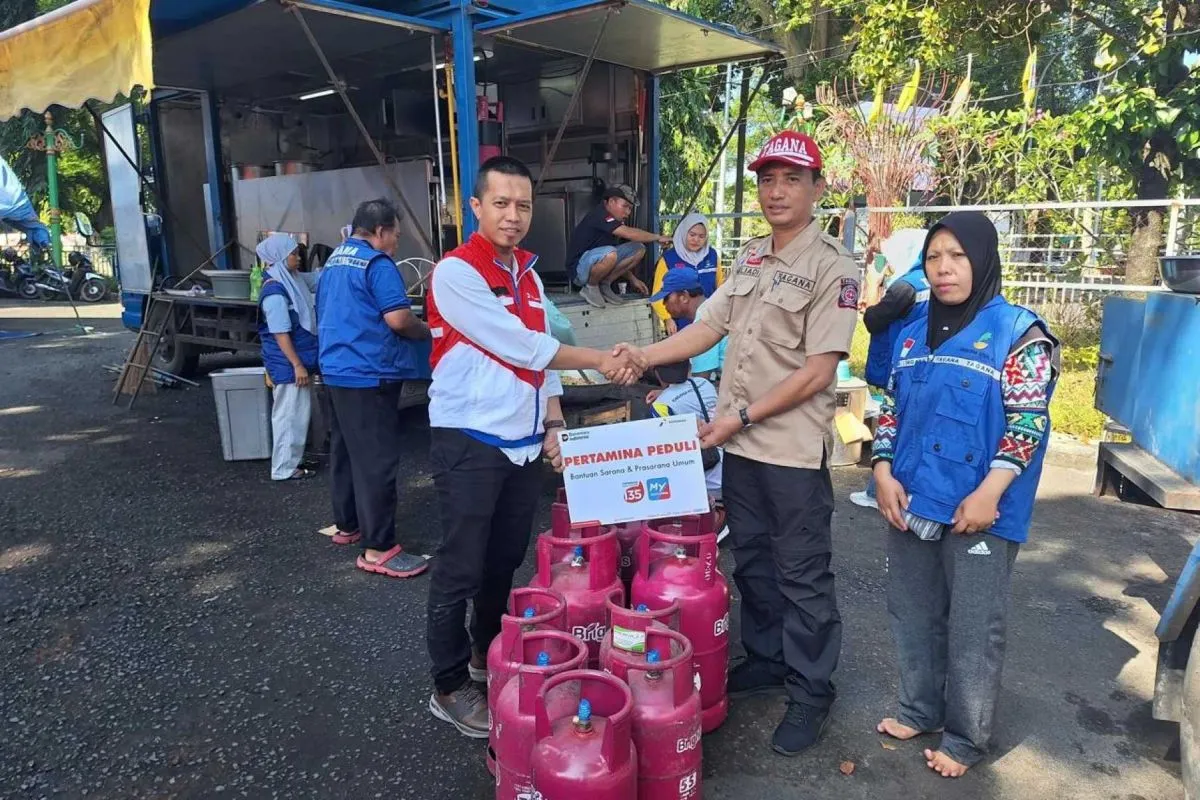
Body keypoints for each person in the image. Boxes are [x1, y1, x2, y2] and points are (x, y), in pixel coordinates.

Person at [601, 130, 860, 756]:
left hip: (789, 453)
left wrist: (738, 417)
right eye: (768, 180)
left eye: (791, 179)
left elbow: (818, 371)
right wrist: (644, 355)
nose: (776, 191)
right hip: (741, 450)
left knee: (802, 574)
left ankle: (811, 690)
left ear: (817, 188)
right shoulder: (749, 258)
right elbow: (707, 325)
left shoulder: (834, 267)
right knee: (753, 560)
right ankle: (767, 659)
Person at [423, 156, 639, 738]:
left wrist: (554, 422)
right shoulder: (455, 273)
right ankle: (448, 685)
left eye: (522, 205)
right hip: (469, 438)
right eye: (500, 204)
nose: (513, 216)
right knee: (461, 565)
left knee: (504, 559)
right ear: (475, 207)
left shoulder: (530, 275)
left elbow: (541, 357)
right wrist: (601, 358)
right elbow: (522, 347)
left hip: (520, 444)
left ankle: (484, 654)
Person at [871, 212, 1059, 778]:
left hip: (981, 508)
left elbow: (1027, 424)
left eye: (956, 256)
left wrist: (990, 493)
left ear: (982, 259)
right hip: (911, 497)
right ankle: (919, 709)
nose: (943, 268)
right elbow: (890, 407)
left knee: (974, 628)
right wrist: (882, 469)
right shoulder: (911, 331)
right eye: (933, 257)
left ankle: (965, 738)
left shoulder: (1017, 333)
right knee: (912, 611)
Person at [317, 198, 431, 578]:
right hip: (369, 372)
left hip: (335, 369)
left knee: (346, 451)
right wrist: (425, 330)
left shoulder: (334, 261)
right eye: (396, 235)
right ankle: (379, 548)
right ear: (380, 231)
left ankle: (348, 525)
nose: (396, 244)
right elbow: (398, 319)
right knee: (376, 461)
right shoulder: (376, 264)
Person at [850, 228, 930, 510]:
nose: (890, 263)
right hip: (927, 365)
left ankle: (878, 492)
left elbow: (873, 319)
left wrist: (872, 283)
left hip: (902, 363)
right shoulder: (931, 282)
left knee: (893, 425)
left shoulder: (905, 287)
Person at [257, 233, 320, 481]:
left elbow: (318, 279)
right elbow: (280, 332)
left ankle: (292, 459)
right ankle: (283, 467)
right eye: (293, 254)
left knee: (297, 412)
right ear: (280, 257)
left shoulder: (293, 279)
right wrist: (297, 365)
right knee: (289, 414)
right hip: (288, 363)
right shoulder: (275, 291)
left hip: (294, 361)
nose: (298, 258)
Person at [565, 183, 670, 309]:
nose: (628, 212)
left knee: (638, 249)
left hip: (598, 261)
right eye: (625, 206)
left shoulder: (614, 223)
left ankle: (605, 284)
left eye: (630, 208)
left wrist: (633, 279)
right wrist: (657, 237)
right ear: (611, 201)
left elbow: (615, 260)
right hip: (578, 271)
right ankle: (591, 287)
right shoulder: (600, 215)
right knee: (611, 253)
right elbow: (630, 234)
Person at [648, 359, 725, 527]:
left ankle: (712, 516)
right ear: (689, 367)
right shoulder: (705, 384)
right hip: (729, 462)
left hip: (707, 482)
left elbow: (666, 450)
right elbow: (685, 393)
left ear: (657, 374)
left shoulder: (660, 405)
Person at [646, 268, 726, 383]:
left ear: (683, 297)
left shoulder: (704, 318)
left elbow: (701, 381)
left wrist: (669, 391)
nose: (663, 303)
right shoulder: (710, 308)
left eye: (666, 298)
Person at [651, 213, 723, 335]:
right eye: (692, 235)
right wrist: (667, 318)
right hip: (680, 324)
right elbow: (657, 295)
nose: (696, 240)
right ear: (684, 233)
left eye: (701, 236)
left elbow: (721, 287)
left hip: (709, 321)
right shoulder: (668, 259)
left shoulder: (712, 256)